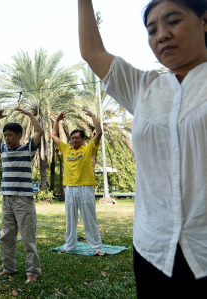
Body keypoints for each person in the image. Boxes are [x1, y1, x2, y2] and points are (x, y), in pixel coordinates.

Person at [78, 0, 207, 297]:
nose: (161, 34)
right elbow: (92, 53)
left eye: (173, 21)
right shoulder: (143, 87)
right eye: (152, 29)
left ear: (204, 20)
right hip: (152, 249)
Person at [0, 108, 44, 283]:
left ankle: (32, 273)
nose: (6, 138)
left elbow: (40, 132)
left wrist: (29, 115)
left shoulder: (28, 149)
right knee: (6, 235)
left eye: (10, 135)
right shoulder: (4, 149)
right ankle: (9, 268)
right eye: (5, 135)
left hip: (23, 199)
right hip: (6, 199)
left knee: (28, 237)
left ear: (19, 135)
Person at [51, 109, 103, 256]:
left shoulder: (88, 150)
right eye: (72, 138)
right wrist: (56, 121)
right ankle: (69, 246)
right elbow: (53, 135)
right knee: (70, 220)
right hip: (70, 189)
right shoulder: (66, 149)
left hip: (85, 188)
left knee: (89, 220)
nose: (73, 140)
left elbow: (98, 133)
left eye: (76, 138)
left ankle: (96, 248)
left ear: (83, 140)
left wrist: (93, 116)